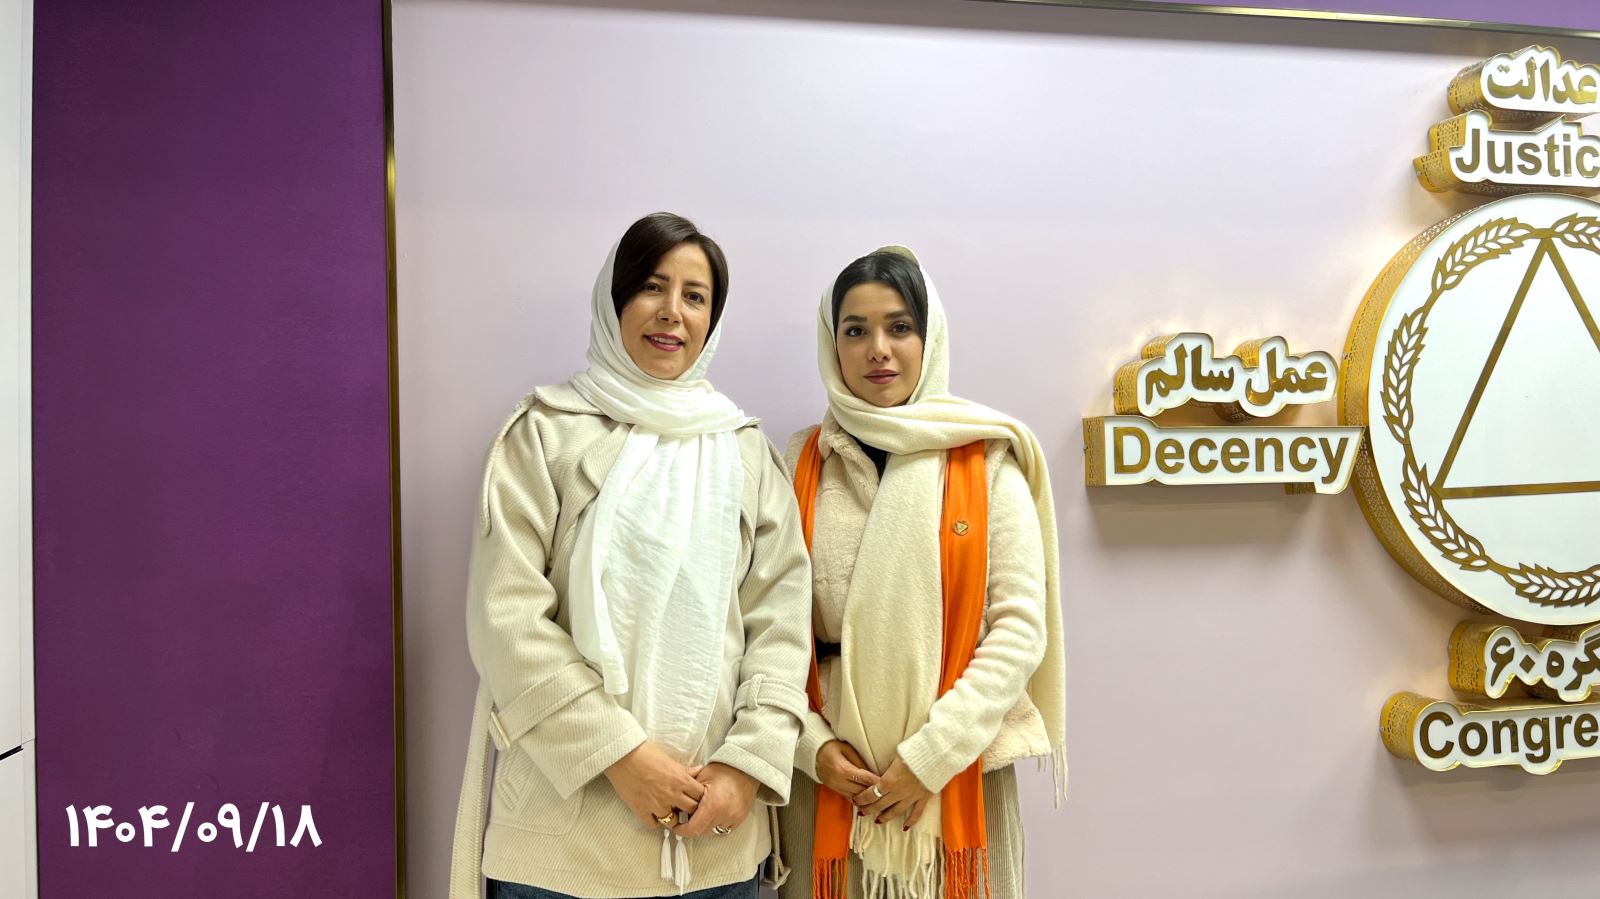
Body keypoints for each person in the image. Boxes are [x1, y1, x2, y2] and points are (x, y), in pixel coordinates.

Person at [449, 213, 813, 899]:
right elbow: (507, 621)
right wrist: (619, 755)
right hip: (562, 850)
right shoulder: (544, 434)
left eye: (695, 296)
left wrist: (745, 766)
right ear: (613, 299)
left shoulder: (745, 451)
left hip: (716, 844)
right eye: (651, 286)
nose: (673, 311)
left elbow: (781, 626)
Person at [777, 247, 1066, 899]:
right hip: (832, 779)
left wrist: (929, 758)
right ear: (832, 343)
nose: (878, 349)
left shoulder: (985, 457)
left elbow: (1019, 628)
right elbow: (766, 626)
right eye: (856, 330)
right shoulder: (802, 460)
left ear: (929, 337)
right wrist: (812, 747)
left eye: (899, 326)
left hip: (959, 773)